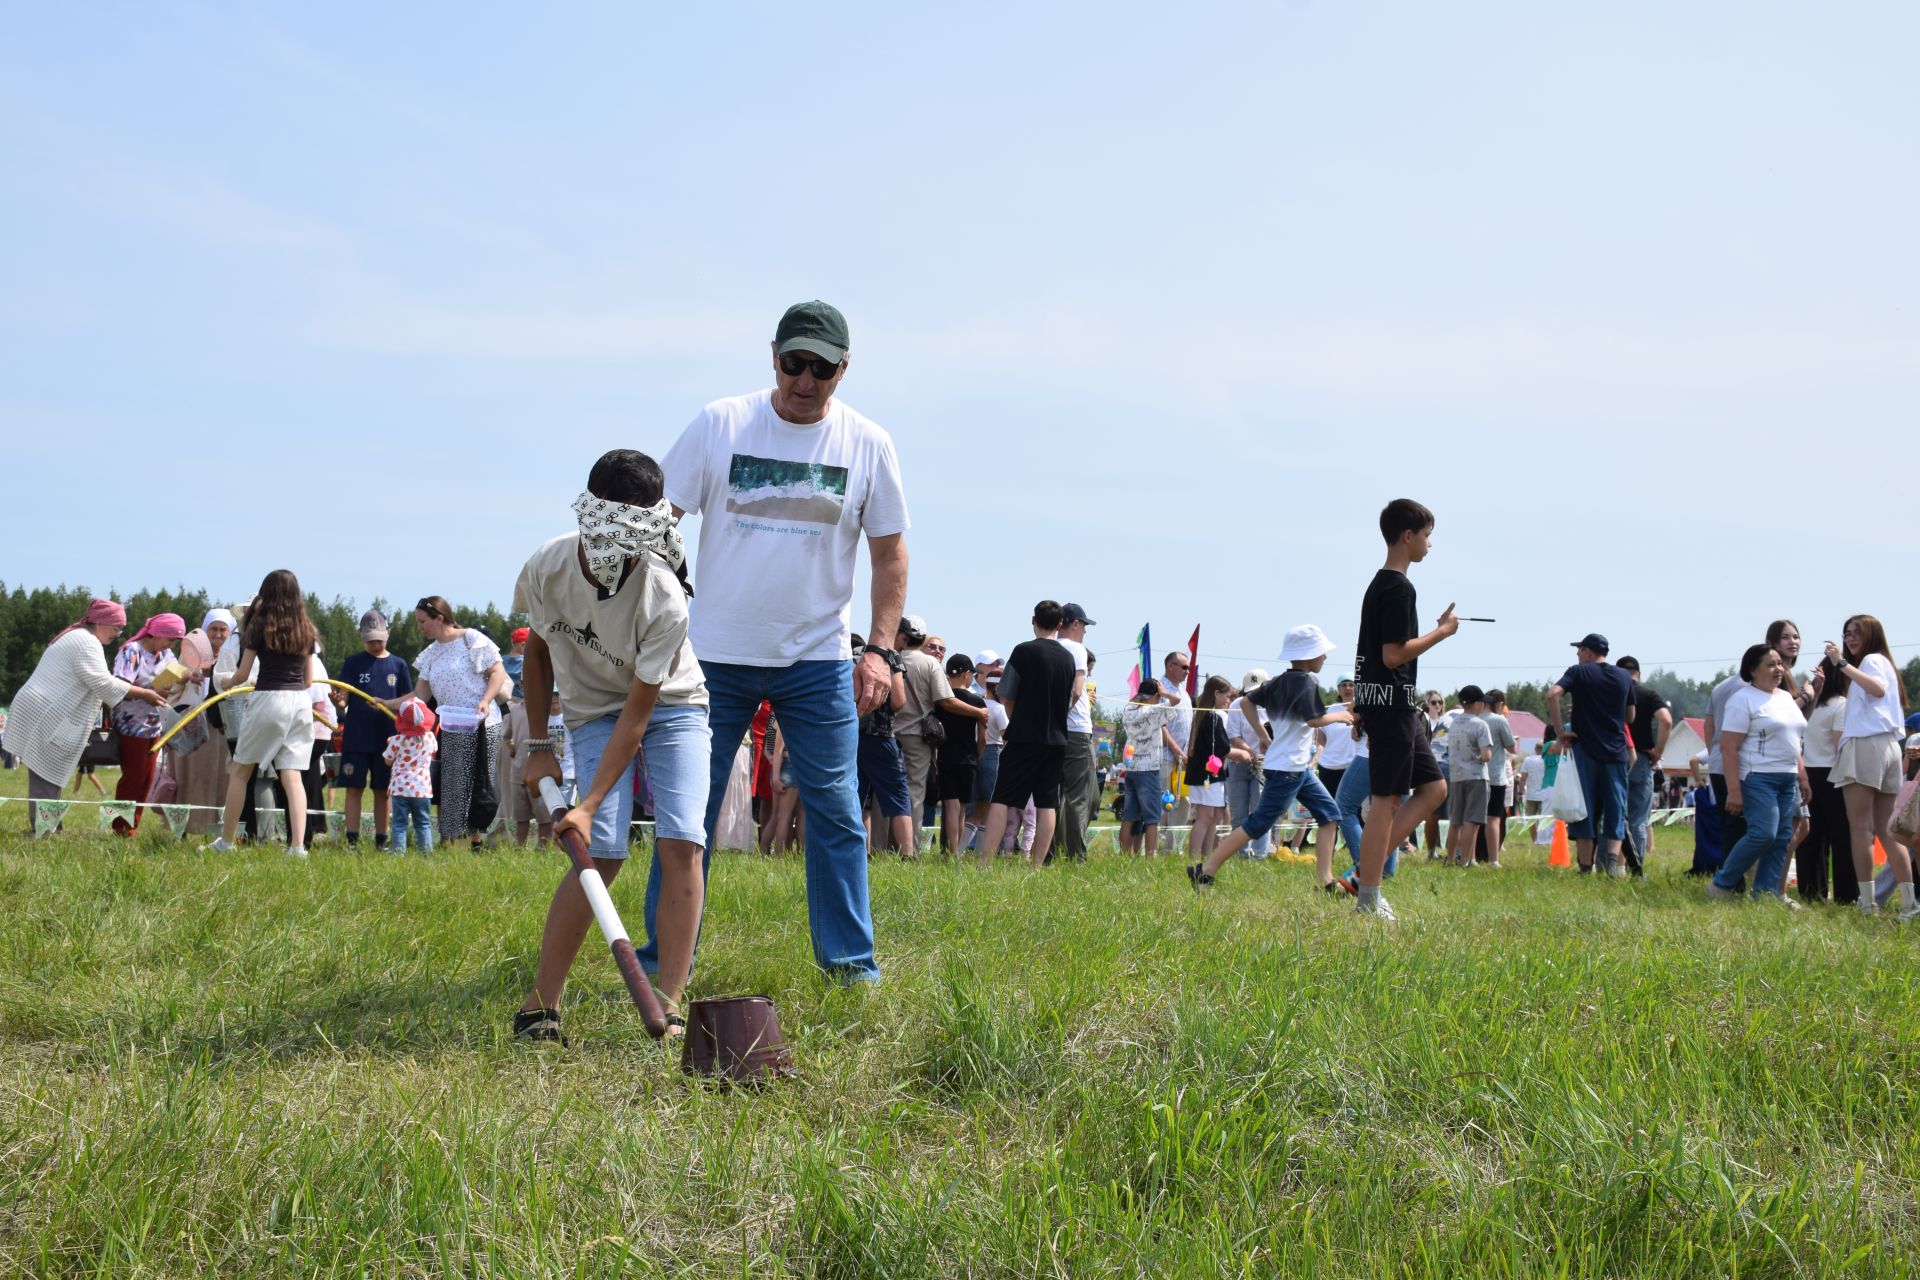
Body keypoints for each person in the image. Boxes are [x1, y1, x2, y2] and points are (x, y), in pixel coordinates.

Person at [658, 299, 907, 981]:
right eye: (793, 362)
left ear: (843, 369)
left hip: (817, 660)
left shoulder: (868, 443)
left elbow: (890, 554)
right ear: (773, 356)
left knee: (837, 813)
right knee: (687, 816)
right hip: (711, 657)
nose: (804, 380)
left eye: (820, 368)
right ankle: (662, 965)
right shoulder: (720, 423)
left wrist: (879, 652)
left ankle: (850, 969)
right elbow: (657, 523)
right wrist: (654, 618)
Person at [510, 449, 713, 1040]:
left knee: (682, 840)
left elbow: (640, 715)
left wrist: (588, 800)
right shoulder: (548, 565)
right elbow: (538, 653)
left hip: (673, 705)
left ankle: (670, 1004)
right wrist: (540, 745)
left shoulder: (663, 595)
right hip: (592, 708)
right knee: (600, 851)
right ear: (589, 512)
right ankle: (540, 1007)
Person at [1351, 500, 1458, 921]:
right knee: (1386, 802)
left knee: (1434, 790)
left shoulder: (1381, 584)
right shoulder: (1398, 587)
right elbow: (1393, 655)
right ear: (1407, 536)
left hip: (1396, 705)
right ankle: (1368, 898)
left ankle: (1367, 869)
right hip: (1391, 705)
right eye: (1427, 535)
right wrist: (1442, 632)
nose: (1430, 544)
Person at [1188, 624, 1351, 889]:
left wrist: (1262, 735)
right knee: (1258, 824)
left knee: (1329, 814)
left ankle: (1325, 880)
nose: (1324, 657)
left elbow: (1245, 703)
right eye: (1321, 652)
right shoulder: (1308, 682)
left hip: (1294, 767)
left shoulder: (1278, 682)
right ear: (1309, 654)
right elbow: (1313, 720)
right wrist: (1341, 715)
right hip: (1289, 768)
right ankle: (1205, 870)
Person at [4, 599, 167, 834]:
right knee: (46, 771)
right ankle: (42, 831)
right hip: (45, 714)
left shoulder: (79, 637)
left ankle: (48, 826)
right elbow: (103, 683)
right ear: (100, 623)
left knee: (46, 772)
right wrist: (145, 694)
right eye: (116, 628)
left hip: (41, 711)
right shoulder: (87, 643)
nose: (118, 634)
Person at [210, 570, 323, 856]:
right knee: (292, 775)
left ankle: (226, 842)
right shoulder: (307, 629)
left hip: (268, 700)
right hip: (300, 704)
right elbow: (308, 681)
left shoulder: (259, 626)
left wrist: (227, 683)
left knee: (240, 771)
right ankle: (297, 847)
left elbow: (242, 674)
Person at [1823, 615, 1917, 917]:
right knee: (1886, 829)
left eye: (1856, 633)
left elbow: (1876, 689)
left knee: (1861, 828)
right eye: (1847, 633)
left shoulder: (1870, 661)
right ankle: (1908, 903)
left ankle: (1867, 903)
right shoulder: (1884, 662)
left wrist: (1841, 663)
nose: (1850, 638)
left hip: (1866, 746)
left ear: (1871, 635)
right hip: (1889, 748)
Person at [976, 601, 1077, 869]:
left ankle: (985, 863)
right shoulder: (1068, 658)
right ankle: (1036, 866)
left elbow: (1007, 695)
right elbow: (1071, 697)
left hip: (1023, 736)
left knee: (1002, 798)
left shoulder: (1023, 651)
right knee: (1047, 802)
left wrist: (1016, 718)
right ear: (1060, 624)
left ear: (1033, 621)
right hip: (1056, 739)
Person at [406, 595, 509, 852]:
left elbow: (498, 673)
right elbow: (419, 696)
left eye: (422, 621)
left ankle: (477, 839)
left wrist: (485, 700)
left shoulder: (471, 639)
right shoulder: (431, 653)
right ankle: (453, 841)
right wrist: (390, 703)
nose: (419, 627)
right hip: (453, 726)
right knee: (453, 783)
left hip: (483, 724)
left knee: (480, 782)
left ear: (439, 618)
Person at [1709, 643, 1810, 904]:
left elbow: (1794, 741)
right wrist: (1733, 790)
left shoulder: (1785, 697)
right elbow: (1728, 747)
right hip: (1757, 777)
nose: (1778, 669)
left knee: (1782, 838)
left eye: (1780, 664)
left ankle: (1764, 895)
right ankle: (1721, 884)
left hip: (1788, 777)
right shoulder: (1742, 699)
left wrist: (1802, 776)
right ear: (1753, 670)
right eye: (1771, 664)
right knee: (1764, 833)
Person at [1546, 633, 1634, 877]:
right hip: (1616, 752)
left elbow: (1552, 694)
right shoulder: (1624, 676)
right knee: (1616, 809)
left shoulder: (1578, 672)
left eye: (1579, 650)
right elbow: (1630, 716)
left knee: (1583, 809)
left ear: (1588, 652)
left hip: (1585, 751)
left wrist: (1560, 732)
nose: (1577, 654)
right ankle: (1613, 866)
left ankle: (1586, 868)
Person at [109, 612, 188, 833]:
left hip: (153, 725)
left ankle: (132, 826)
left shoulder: (166, 654)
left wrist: (190, 675)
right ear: (157, 633)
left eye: (175, 641)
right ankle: (121, 829)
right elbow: (119, 688)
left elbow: (178, 672)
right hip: (130, 725)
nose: (171, 645)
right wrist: (148, 694)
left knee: (147, 779)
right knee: (133, 778)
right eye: (170, 639)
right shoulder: (131, 651)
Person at [168, 608, 236, 835]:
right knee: (191, 779)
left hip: (223, 726)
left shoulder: (234, 656)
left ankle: (219, 830)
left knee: (223, 779)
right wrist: (188, 675)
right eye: (213, 629)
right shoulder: (190, 653)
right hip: (193, 727)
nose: (218, 634)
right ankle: (184, 827)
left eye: (223, 630)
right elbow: (166, 681)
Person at [851, 634, 914, 856]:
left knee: (856, 797)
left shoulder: (852, 654)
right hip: (881, 734)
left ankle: (858, 852)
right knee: (898, 795)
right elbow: (898, 700)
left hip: (851, 735)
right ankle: (907, 854)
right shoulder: (890, 656)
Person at [1614, 656, 1672, 875]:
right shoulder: (1648, 694)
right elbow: (1666, 720)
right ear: (1638, 674)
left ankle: (1608, 866)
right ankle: (1634, 869)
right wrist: (1658, 752)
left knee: (1612, 816)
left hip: (1613, 758)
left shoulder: (1610, 694)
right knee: (1638, 820)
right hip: (1640, 758)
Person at [1052, 603, 1098, 859]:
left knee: (1053, 794)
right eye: (1084, 626)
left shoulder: (1049, 647)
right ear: (1075, 624)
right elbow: (1077, 690)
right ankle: (1075, 855)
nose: (1084, 632)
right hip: (1076, 730)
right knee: (1079, 796)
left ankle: (1050, 849)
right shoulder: (1076, 649)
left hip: (1052, 731)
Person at [1120, 679, 1183, 856]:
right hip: (1148, 771)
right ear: (1156, 696)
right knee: (1152, 818)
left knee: (1129, 816)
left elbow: (1135, 702)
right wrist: (1164, 693)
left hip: (1131, 768)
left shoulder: (1128, 710)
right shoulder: (1155, 711)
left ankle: (1123, 856)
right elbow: (1176, 700)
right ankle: (1150, 857)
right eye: (1158, 697)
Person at [934, 653, 987, 852]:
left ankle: (950, 850)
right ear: (965, 674)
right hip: (968, 758)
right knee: (962, 808)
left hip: (945, 756)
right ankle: (958, 852)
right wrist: (976, 755)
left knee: (950, 806)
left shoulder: (941, 701)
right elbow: (982, 738)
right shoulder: (978, 702)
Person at [1184, 675, 1235, 864]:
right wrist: (1243, 754)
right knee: (1205, 817)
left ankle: (1206, 857)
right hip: (1207, 775)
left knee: (1213, 817)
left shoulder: (1204, 715)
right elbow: (1223, 747)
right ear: (1216, 693)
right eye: (1227, 696)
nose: (1228, 701)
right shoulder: (1212, 717)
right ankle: (1194, 858)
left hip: (1205, 774)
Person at [1223, 669, 1271, 859]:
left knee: (1261, 812)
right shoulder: (1236, 705)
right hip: (1238, 762)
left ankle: (1260, 855)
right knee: (1238, 813)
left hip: (1264, 764)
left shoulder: (1272, 706)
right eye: (1251, 691)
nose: (1254, 694)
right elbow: (1233, 735)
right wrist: (1249, 752)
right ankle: (1241, 854)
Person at [1444, 686, 1493, 867]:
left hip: (1457, 777)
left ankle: (1450, 859)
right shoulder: (1480, 724)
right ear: (1477, 704)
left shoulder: (1454, 723)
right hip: (1476, 776)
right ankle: (1465, 860)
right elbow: (1486, 755)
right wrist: (1481, 756)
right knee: (1472, 820)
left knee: (1455, 821)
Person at [383, 697, 437, 852]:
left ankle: (399, 853)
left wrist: (390, 743)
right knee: (423, 823)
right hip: (422, 789)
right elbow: (433, 750)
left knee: (399, 824)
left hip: (400, 789)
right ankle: (426, 853)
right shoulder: (430, 738)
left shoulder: (396, 741)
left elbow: (388, 761)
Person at [1476, 689, 1519, 866]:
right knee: (1493, 817)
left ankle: (1472, 856)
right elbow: (1511, 747)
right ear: (1500, 704)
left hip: (1476, 775)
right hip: (1495, 775)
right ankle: (1493, 859)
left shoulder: (1475, 719)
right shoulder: (1499, 720)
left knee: (1474, 818)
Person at [1315, 676, 1358, 809]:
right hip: (1328, 766)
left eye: (1351, 684)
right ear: (1338, 690)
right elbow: (1321, 737)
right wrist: (1317, 757)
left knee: (1350, 809)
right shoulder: (1330, 710)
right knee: (1330, 809)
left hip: (1352, 765)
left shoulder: (1362, 708)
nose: (1347, 688)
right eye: (1343, 685)